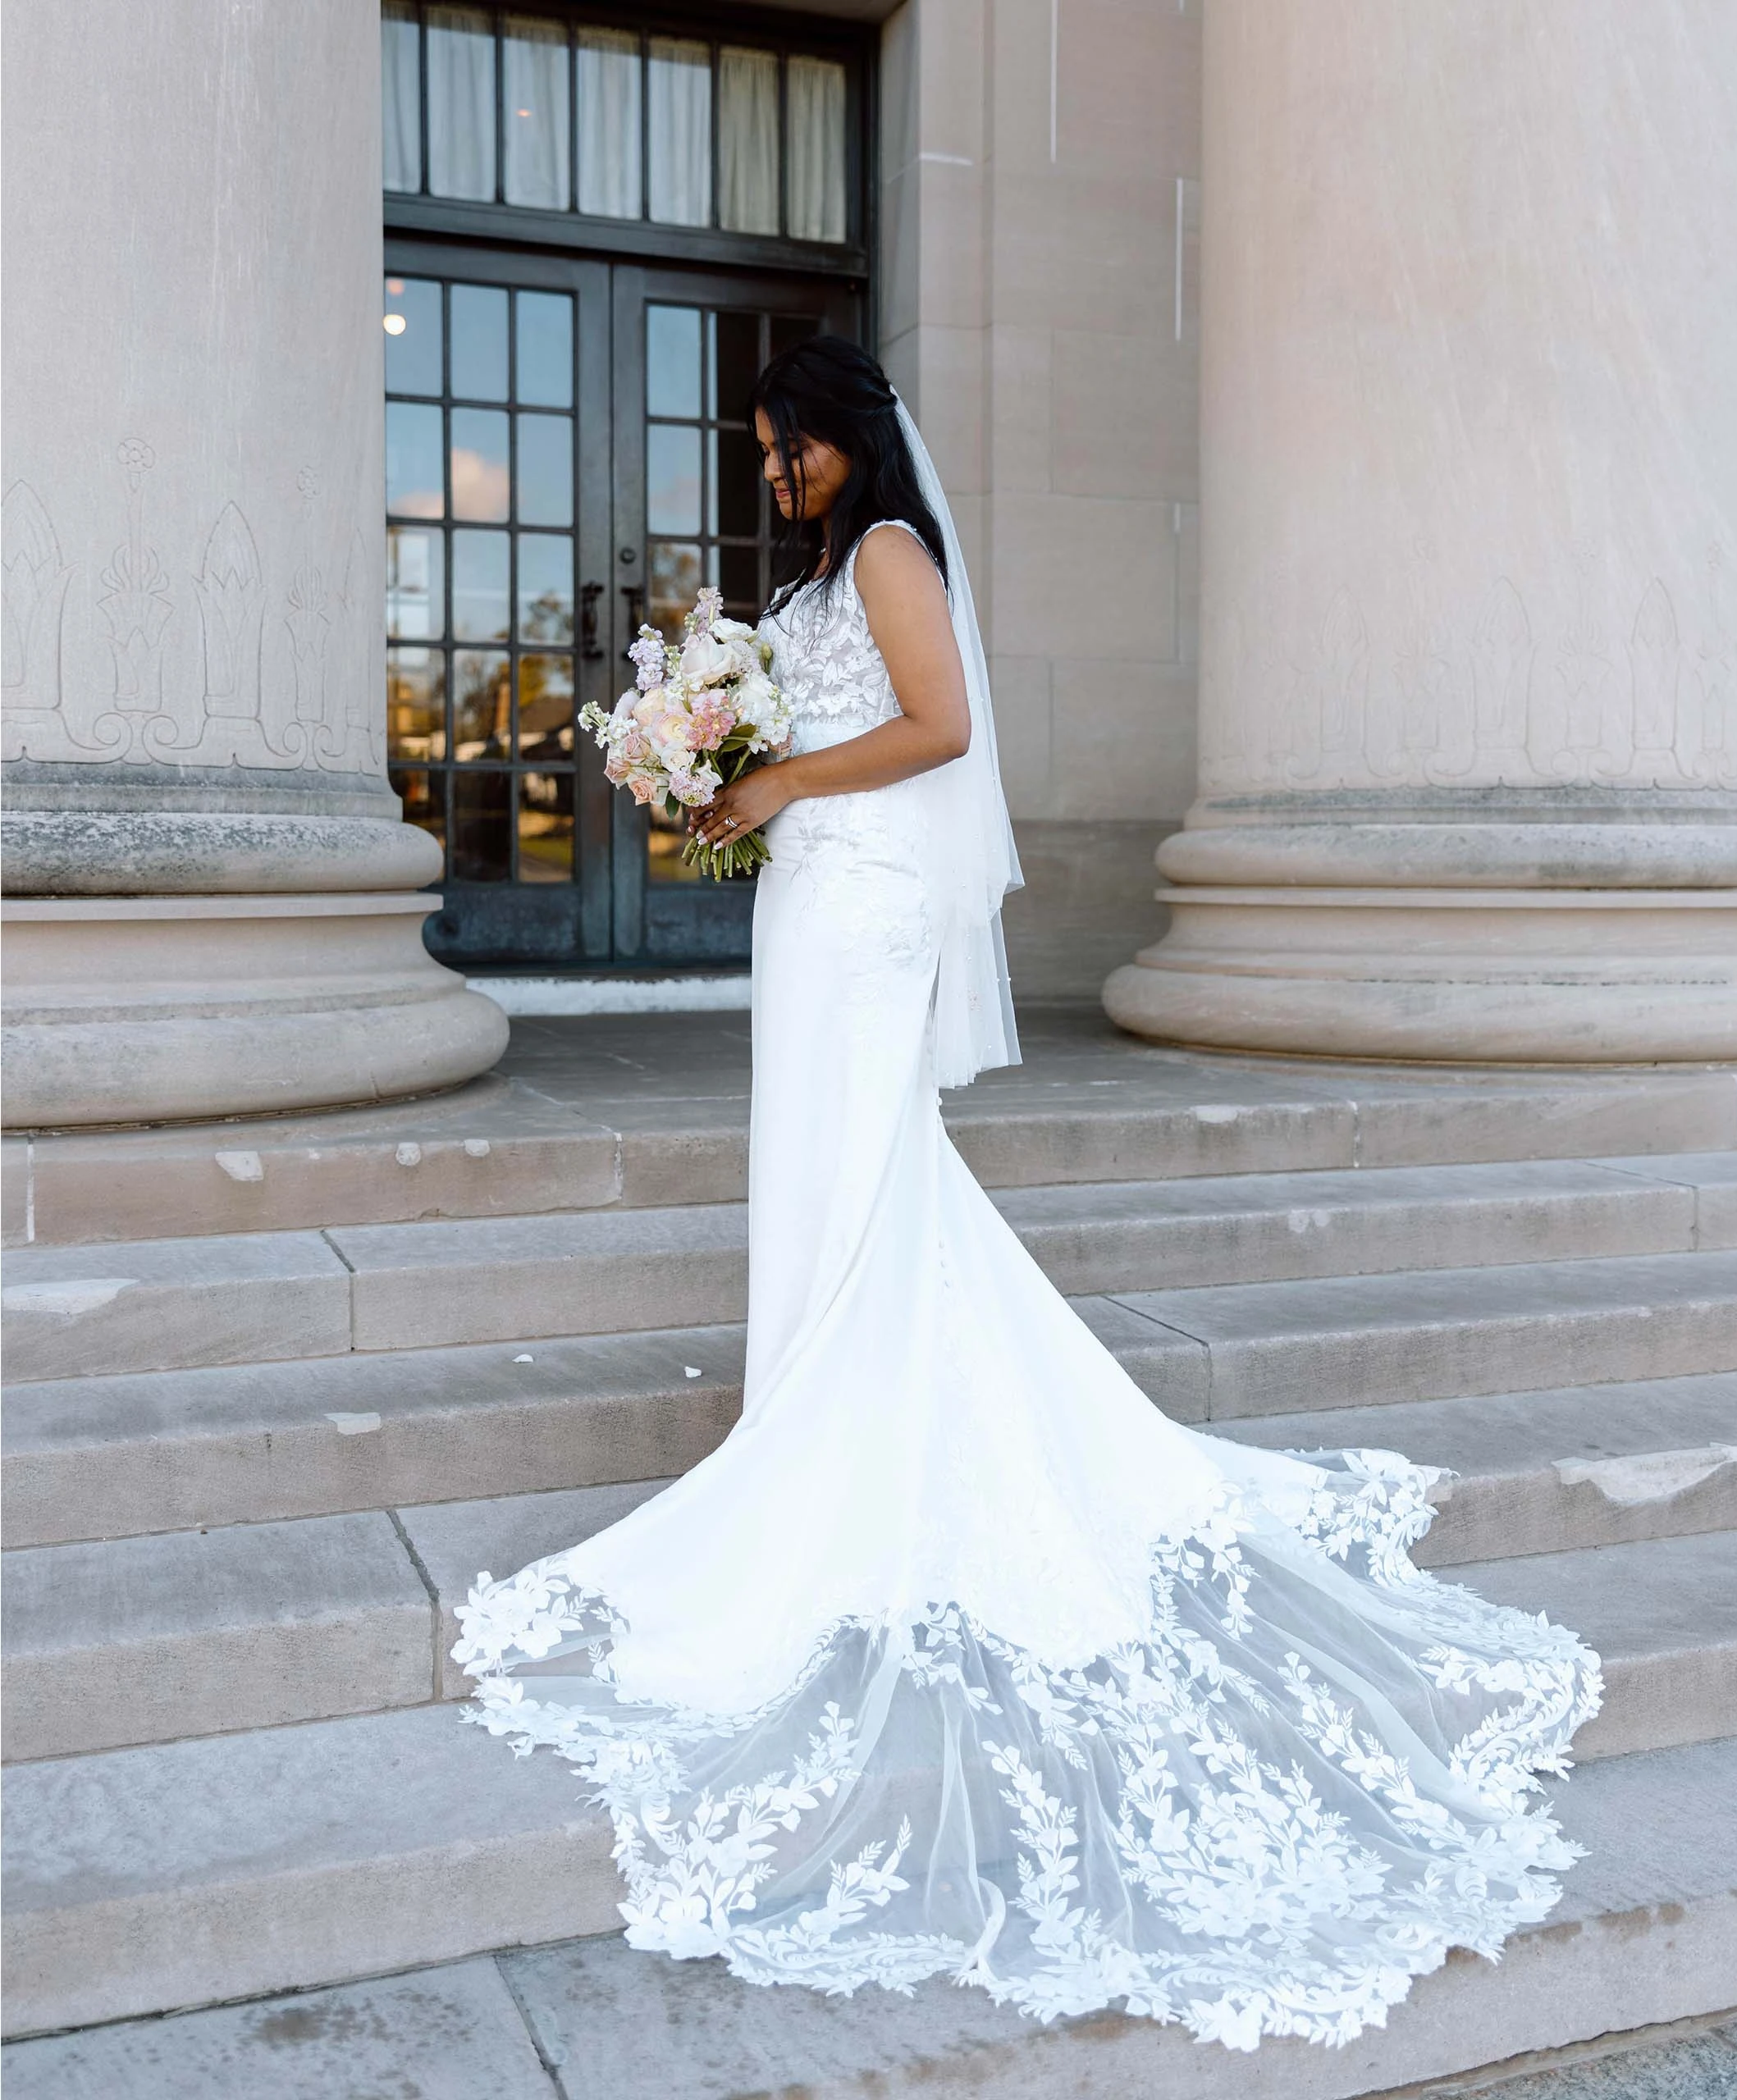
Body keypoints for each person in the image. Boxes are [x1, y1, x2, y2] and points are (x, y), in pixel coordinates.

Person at [453, 336, 1602, 2052]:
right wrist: (711, 760)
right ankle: (812, 1407)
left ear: (846, 440)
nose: (771, 468)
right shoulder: (828, 571)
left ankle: (827, 1441)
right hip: (813, 904)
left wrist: (770, 780)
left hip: (865, 910)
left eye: (786, 444)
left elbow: (943, 727)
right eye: (764, 449)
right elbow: (838, 715)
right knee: (834, 1176)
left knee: (859, 1171)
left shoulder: (897, 555)